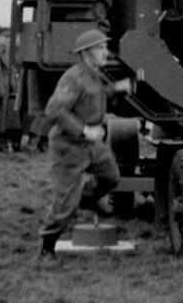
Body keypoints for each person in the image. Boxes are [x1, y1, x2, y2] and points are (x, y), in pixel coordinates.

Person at [38, 29, 132, 263]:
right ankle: (46, 249)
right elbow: (54, 110)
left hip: (91, 145)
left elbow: (93, 97)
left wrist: (115, 89)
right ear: (86, 53)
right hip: (69, 146)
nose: (105, 52)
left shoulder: (95, 75)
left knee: (111, 177)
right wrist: (84, 130)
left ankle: (88, 199)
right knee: (65, 205)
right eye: (100, 48)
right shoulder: (74, 77)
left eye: (104, 47)